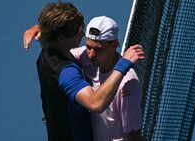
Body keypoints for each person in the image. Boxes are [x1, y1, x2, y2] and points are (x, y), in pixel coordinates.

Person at [24, 1, 145, 141]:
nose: (91, 54)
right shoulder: (68, 71)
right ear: (62, 37)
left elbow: (134, 134)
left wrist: (43, 28)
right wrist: (123, 64)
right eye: (88, 46)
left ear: (114, 46)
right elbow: (96, 103)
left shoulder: (128, 83)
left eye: (98, 49)